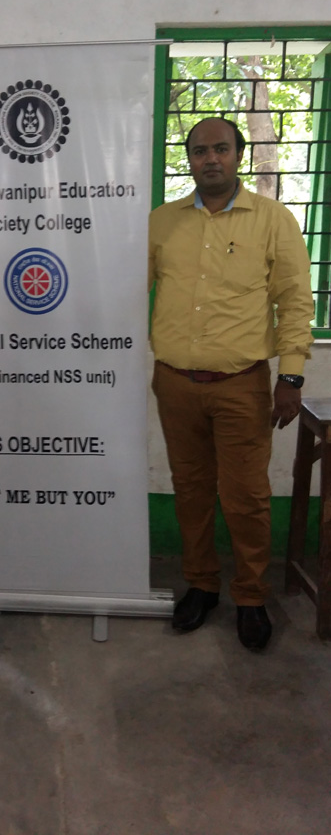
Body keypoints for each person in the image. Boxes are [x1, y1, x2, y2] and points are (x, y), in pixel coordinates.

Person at [149, 117, 313, 651]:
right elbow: (126, 287)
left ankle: (250, 595)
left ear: (238, 155)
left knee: (246, 498)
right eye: (200, 151)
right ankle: (201, 585)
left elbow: (295, 301)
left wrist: (290, 376)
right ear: (189, 160)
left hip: (242, 385)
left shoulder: (272, 220)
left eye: (221, 149)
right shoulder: (162, 222)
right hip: (175, 384)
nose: (210, 159)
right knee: (191, 490)